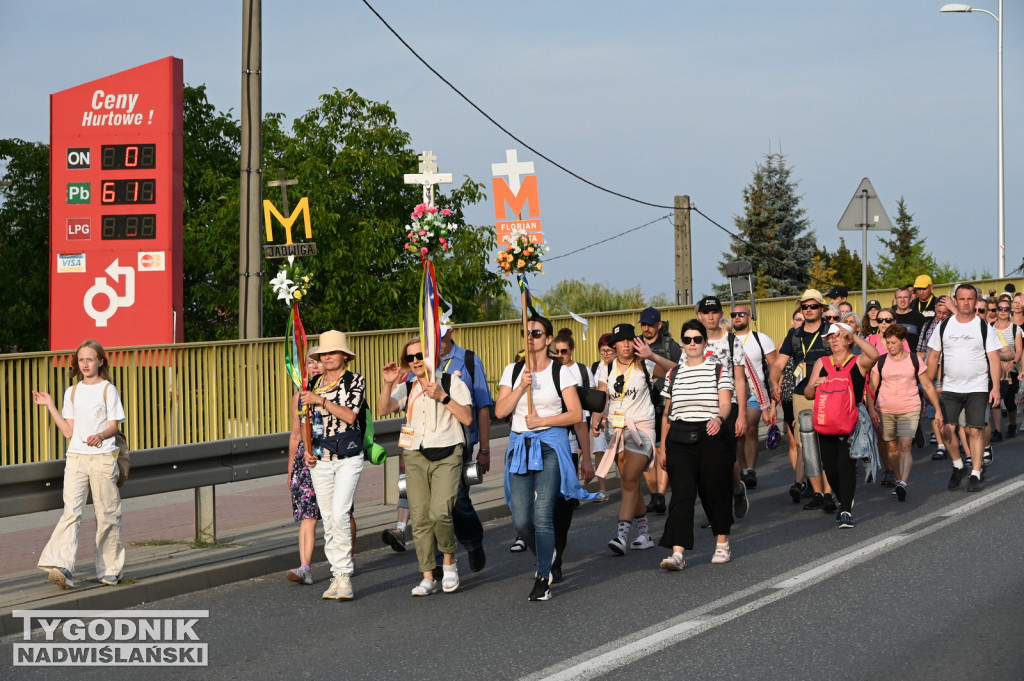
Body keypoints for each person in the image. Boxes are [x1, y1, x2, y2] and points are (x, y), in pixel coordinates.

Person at [496, 314, 592, 601]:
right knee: (522, 521)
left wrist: (544, 420)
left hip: (550, 445)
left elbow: (576, 414)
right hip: (520, 447)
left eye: (536, 333)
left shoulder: (560, 372)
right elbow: (501, 411)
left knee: (542, 515)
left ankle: (542, 578)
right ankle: (547, 555)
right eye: (526, 332)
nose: (530, 337)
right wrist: (521, 387)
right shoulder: (512, 371)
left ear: (548, 339)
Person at [378, 337, 473, 596]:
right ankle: (428, 576)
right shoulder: (408, 387)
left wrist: (443, 397)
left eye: (420, 355)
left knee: (440, 513)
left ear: (432, 356)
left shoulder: (452, 382)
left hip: (447, 453)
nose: (416, 360)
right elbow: (383, 408)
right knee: (419, 518)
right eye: (411, 358)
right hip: (416, 455)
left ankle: (449, 561)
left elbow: (466, 417)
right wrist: (388, 384)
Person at [33, 339, 126, 589]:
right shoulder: (72, 391)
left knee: (106, 514)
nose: (85, 364)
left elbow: (114, 427)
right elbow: (67, 431)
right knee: (71, 512)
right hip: (76, 458)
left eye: (90, 359)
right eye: (81, 360)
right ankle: (62, 567)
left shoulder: (108, 389)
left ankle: (109, 570)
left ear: (100, 362)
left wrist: (101, 436)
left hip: (103, 457)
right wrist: (50, 405)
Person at [657, 319, 735, 570]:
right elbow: (667, 413)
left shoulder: (718, 368)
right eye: (688, 340)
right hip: (679, 436)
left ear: (705, 342)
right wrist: (662, 447)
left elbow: (725, 403)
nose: (692, 344)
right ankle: (677, 552)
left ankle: (722, 542)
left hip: (710, 434)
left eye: (697, 339)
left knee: (714, 490)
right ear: (682, 344)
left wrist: (719, 419)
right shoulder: (674, 372)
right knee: (681, 494)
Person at [593, 323, 674, 555]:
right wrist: (596, 421)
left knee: (629, 479)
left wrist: (653, 355)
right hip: (616, 431)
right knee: (630, 483)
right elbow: (601, 398)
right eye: (621, 341)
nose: (626, 344)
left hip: (642, 431)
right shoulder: (605, 369)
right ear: (614, 345)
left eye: (630, 340)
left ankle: (621, 535)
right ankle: (644, 534)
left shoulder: (645, 365)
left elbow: (677, 370)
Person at [302, 330, 365, 600]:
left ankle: (345, 576)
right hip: (320, 458)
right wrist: (308, 450)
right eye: (322, 354)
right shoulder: (314, 382)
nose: (326, 357)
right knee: (328, 518)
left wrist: (322, 401)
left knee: (340, 513)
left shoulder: (354, 381)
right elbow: (308, 421)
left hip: (348, 456)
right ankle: (337, 574)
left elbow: (350, 415)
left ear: (344, 356)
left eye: (332, 353)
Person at [925, 285, 1002, 493]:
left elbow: (994, 359)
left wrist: (995, 387)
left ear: (976, 301)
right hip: (950, 387)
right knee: (947, 429)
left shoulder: (984, 327)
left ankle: (975, 472)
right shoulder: (944, 326)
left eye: (970, 299)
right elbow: (933, 356)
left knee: (975, 429)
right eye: (962, 299)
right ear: (955, 301)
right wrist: (927, 383)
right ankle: (958, 465)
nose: (966, 302)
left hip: (977, 387)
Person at [804, 323, 879, 528]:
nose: (834, 340)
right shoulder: (822, 362)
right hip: (825, 421)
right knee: (830, 468)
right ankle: (843, 498)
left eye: (839, 336)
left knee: (845, 466)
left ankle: (845, 509)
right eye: (831, 337)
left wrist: (855, 337)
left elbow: (875, 355)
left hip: (850, 421)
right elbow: (808, 394)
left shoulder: (858, 361)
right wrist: (815, 384)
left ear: (847, 339)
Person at [771, 289, 838, 513]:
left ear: (822, 309)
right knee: (807, 446)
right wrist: (773, 382)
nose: (809, 310)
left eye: (813, 306)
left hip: (829, 395)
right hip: (801, 396)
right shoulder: (794, 334)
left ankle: (829, 493)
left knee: (827, 444)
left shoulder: (832, 331)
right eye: (805, 307)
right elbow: (779, 364)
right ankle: (817, 492)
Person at [435, 324, 494, 572]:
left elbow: (482, 406)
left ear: (451, 333)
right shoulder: (421, 361)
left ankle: (472, 541)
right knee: (433, 505)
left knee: (457, 499)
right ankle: (439, 559)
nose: (436, 340)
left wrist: (485, 448)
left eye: (441, 335)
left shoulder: (468, 360)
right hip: (427, 444)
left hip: (459, 442)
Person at [865, 324, 943, 501]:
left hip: (910, 407)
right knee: (892, 448)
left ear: (903, 341)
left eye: (893, 342)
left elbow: (928, 386)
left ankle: (903, 483)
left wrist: (937, 410)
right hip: (885, 409)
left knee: (905, 445)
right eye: (887, 342)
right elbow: (872, 387)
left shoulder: (914, 360)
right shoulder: (881, 361)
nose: (889, 346)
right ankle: (899, 478)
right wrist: (871, 409)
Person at [695, 296, 749, 519]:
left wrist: (742, 416)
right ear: (699, 315)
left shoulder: (731, 341)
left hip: (728, 406)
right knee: (707, 461)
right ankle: (716, 510)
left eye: (714, 312)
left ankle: (737, 489)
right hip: (701, 406)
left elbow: (739, 380)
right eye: (706, 312)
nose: (710, 316)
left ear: (720, 314)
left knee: (726, 460)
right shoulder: (693, 341)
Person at [550, 328, 596, 582]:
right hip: (543, 447)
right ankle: (546, 551)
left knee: (563, 504)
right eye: (555, 352)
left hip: (569, 443)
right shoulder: (541, 373)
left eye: (564, 351)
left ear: (572, 351)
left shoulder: (579, 372)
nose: (560, 355)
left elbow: (583, 415)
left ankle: (557, 554)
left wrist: (585, 454)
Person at [285, 348, 325, 585]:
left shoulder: (338, 390)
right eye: (310, 362)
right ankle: (305, 568)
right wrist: (291, 467)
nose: (315, 366)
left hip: (333, 456)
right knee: (308, 515)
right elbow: (295, 434)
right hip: (305, 459)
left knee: (340, 515)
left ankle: (346, 559)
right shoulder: (298, 397)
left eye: (319, 362)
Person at [637, 307, 681, 515]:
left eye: (650, 325)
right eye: (643, 324)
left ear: (659, 325)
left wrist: (652, 356)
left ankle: (660, 496)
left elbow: (681, 371)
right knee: (646, 452)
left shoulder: (669, 345)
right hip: (641, 405)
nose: (646, 328)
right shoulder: (635, 344)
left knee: (663, 450)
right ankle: (654, 494)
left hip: (665, 404)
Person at [729, 304, 777, 489]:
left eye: (741, 314)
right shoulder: (728, 340)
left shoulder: (760, 339)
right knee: (738, 433)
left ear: (749, 318)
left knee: (750, 427)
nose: (737, 317)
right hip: (734, 393)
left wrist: (774, 391)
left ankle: (750, 469)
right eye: (734, 315)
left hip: (756, 393)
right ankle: (743, 468)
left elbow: (774, 365)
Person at [989, 300, 1022, 440]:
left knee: (1009, 399)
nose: (1003, 311)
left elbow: (1019, 350)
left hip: (1010, 369)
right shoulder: (989, 327)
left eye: (1006, 309)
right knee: (995, 399)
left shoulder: (1016, 329)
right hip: (993, 367)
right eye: (1000, 308)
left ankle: (1012, 425)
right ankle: (997, 430)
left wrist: (1014, 363)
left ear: (1010, 311)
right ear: (996, 310)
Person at [589, 333, 616, 501]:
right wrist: (597, 417)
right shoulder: (595, 367)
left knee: (620, 452)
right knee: (599, 451)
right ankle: (602, 489)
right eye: (603, 350)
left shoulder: (619, 366)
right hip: (599, 413)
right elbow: (594, 393)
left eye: (609, 350)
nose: (606, 354)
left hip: (617, 415)